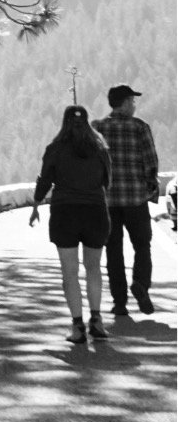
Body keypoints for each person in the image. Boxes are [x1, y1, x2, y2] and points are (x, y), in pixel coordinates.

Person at [30, 105, 112, 345]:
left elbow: (45, 180)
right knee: (93, 268)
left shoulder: (55, 149)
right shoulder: (100, 149)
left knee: (70, 272)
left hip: (65, 213)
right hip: (95, 211)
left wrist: (36, 205)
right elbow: (107, 180)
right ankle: (96, 320)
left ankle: (78, 326)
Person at [92, 85, 161, 317]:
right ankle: (140, 284)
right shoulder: (140, 127)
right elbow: (151, 163)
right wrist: (150, 189)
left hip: (107, 202)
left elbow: (92, 164)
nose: (134, 105)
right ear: (123, 102)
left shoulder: (97, 128)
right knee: (142, 245)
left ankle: (119, 302)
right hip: (135, 199)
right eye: (132, 101)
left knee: (113, 251)